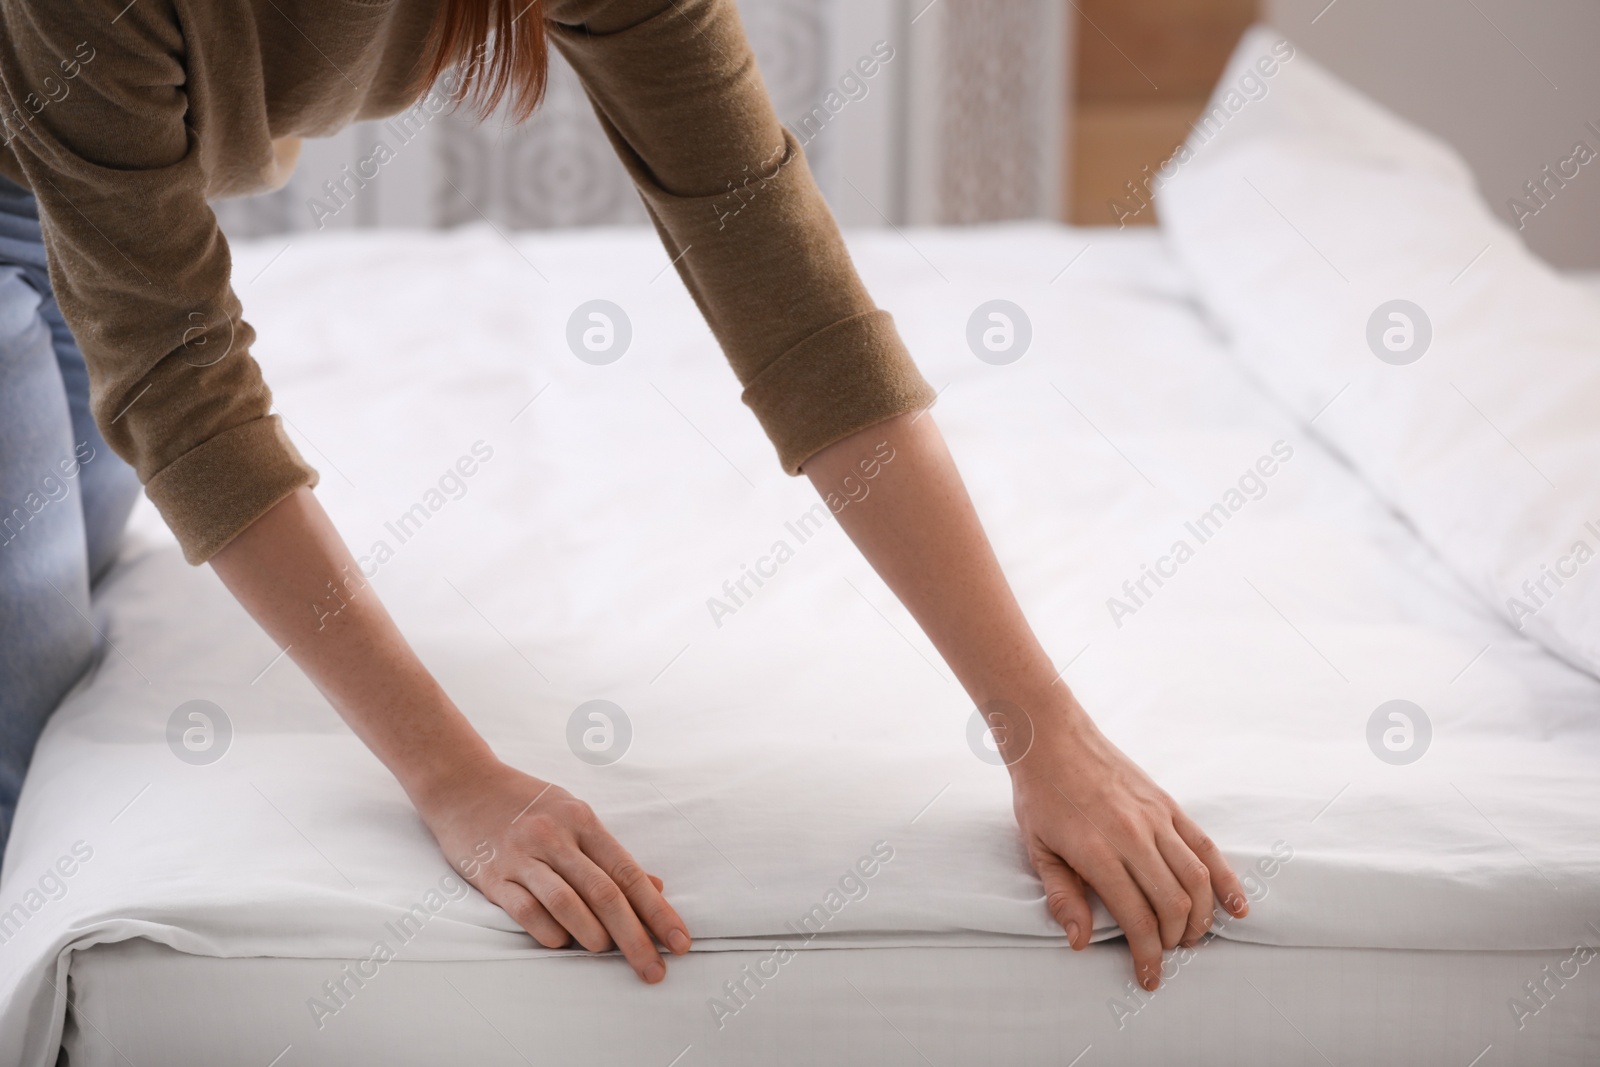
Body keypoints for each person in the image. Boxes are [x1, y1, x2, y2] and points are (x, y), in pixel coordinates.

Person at [0, 0, 1246, 992]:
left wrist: (1042, 726)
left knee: (80, 551)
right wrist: (455, 778)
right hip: (35, 193)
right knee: (25, 669)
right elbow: (181, 383)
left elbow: (794, 308)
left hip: (76, 225)